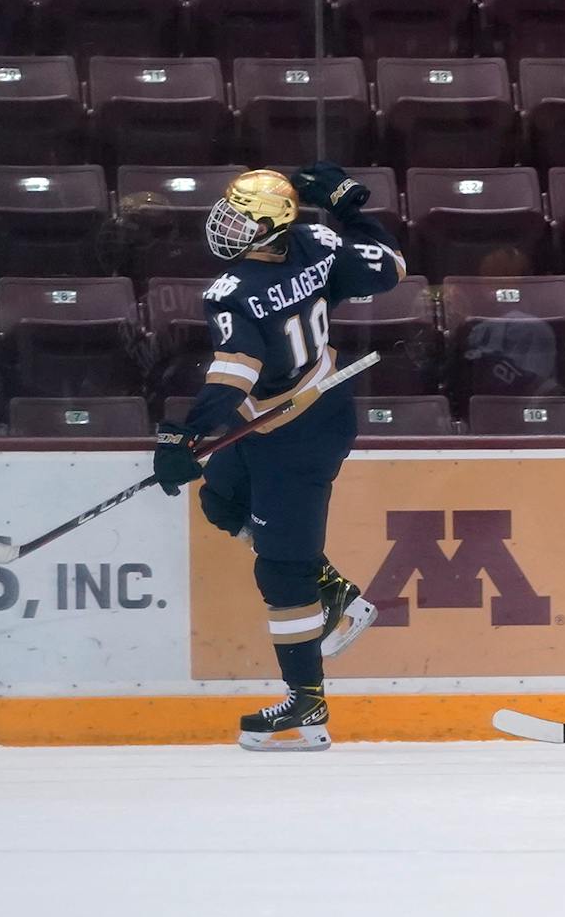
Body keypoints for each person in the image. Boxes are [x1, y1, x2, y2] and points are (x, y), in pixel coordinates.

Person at [152, 165, 406, 752]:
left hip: (301, 432)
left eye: (242, 213)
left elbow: (235, 370)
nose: (227, 221)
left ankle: (307, 704)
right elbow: (389, 266)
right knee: (220, 499)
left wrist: (183, 434)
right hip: (283, 415)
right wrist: (348, 207)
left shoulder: (233, 290)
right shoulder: (319, 243)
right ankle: (340, 594)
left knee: (281, 570)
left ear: (270, 224)